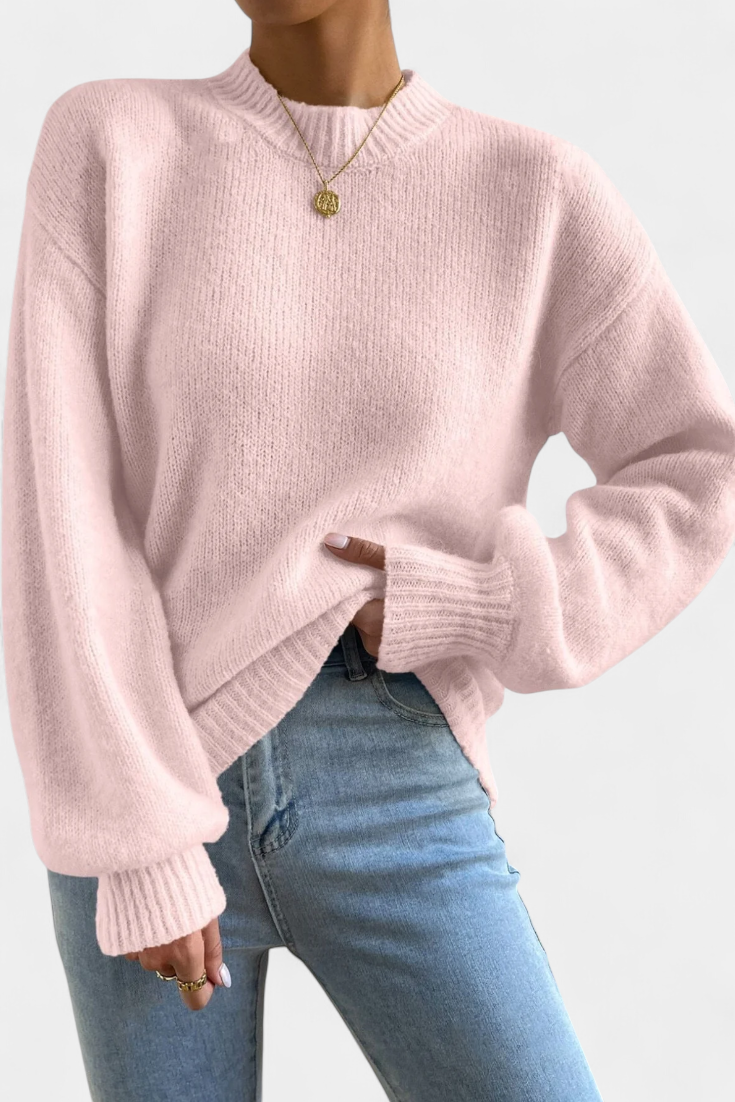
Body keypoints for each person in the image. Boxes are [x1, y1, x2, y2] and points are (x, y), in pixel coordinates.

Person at [3, 0, 735, 1098]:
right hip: (146, 776)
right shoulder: (112, 143)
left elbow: (697, 465)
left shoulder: (533, 190)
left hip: (394, 768)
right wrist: (142, 842)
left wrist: (484, 603)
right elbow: (60, 513)